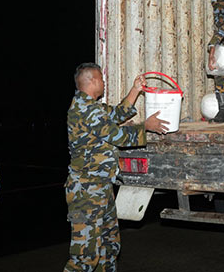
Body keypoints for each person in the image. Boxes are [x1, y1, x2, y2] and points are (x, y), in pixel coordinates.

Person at [65, 63, 168, 271]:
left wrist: (135, 90)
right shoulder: (85, 110)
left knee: (109, 248)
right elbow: (117, 136)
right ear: (92, 80)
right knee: (85, 257)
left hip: (101, 188)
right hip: (87, 191)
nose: (104, 83)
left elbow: (117, 114)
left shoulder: (93, 108)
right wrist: (145, 127)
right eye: (101, 79)